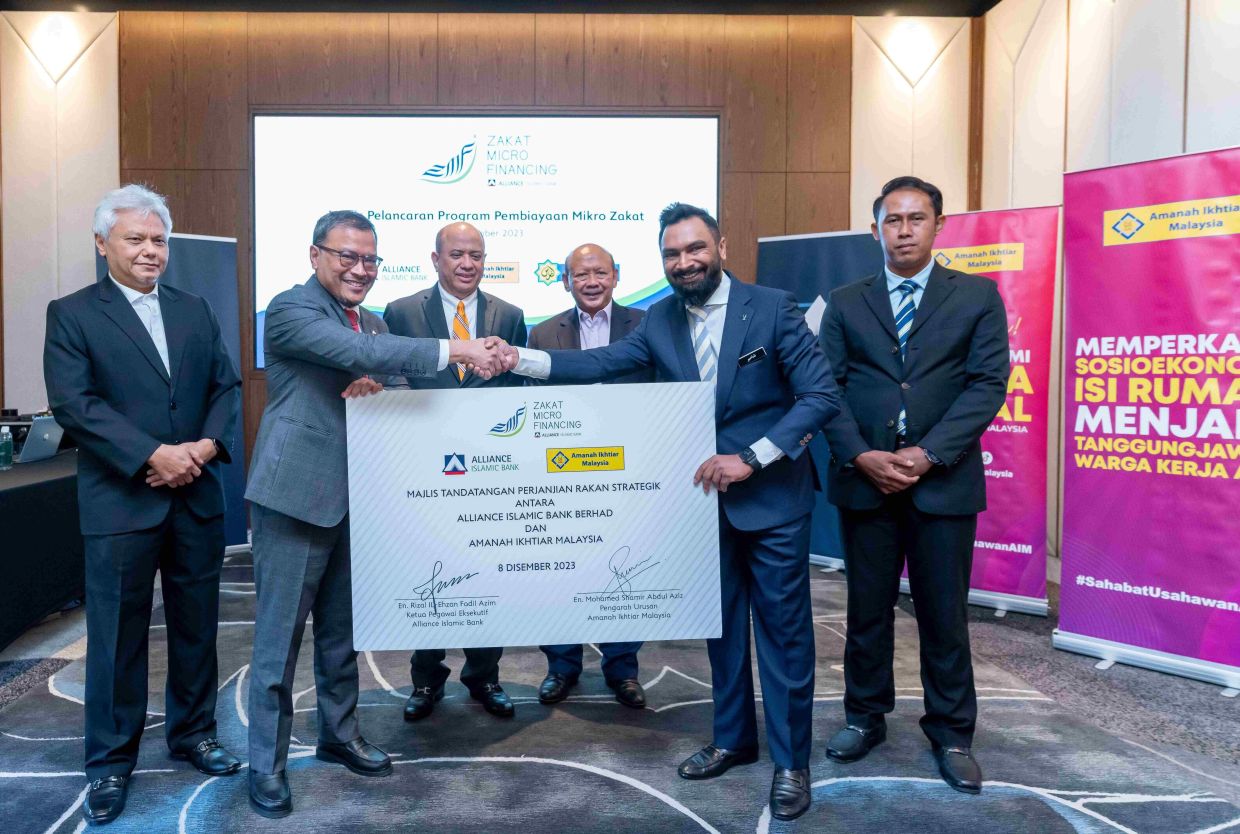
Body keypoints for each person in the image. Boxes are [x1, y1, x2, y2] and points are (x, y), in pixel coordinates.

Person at [507, 204, 839, 822]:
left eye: (695, 249)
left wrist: (752, 457)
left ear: (721, 246)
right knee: (721, 632)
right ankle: (733, 739)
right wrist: (517, 359)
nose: (684, 262)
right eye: (672, 254)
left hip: (771, 500)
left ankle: (792, 761)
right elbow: (599, 364)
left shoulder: (772, 306)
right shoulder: (660, 318)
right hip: (702, 504)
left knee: (785, 636)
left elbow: (820, 395)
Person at [245, 211, 508, 818]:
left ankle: (338, 735)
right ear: (315, 255)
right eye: (347, 257)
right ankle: (267, 764)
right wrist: (457, 348)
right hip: (295, 496)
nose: (360, 270)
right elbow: (359, 353)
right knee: (278, 640)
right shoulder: (290, 309)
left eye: (370, 260)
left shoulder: (377, 319)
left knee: (342, 634)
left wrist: (381, 385)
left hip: (359, 498)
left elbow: (389, 373)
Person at [43, 184, 242, 825]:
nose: (151, 250)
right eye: (136, 239)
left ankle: (193, 734)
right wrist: (154, 453)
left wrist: (205, 447)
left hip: (196, 496)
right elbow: (77, 405)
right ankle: (108, 763)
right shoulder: (71, 313)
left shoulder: (194, 308)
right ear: (103, 245)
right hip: (122, 500)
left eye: (159, 240)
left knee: (195, 630)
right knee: (116, 641)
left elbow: (224, 385)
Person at [818, 176, 1010, 795]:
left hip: (943, 482)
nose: (903, 230)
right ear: (876, 228)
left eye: (915, 218)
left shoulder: (977, 296)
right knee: (866, 611)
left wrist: (927, 454)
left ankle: (952, 732)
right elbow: (829, 388)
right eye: (891, 220)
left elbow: (986, 385)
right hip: (865, 479)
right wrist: (860, 454)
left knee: (943, 614)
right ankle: (864, 717)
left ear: (938, 225)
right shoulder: (846, 301)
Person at [382, 221, 524, 722]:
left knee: (488, 567)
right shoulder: (401, 311)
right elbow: (393, 378)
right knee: (431, 568)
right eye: (458, 254)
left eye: (477, 256)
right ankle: (426, 679)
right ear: (436, 259)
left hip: (489, 463)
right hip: (424, 463)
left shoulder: (511, 314)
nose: (468, 264)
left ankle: (485, 676)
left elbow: (517, 391)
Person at [528, 243, 653, 709]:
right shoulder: (541, 333)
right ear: (566, 281)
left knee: (623, 566)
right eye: (581, 275)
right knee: (560, 567)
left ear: (617, 276)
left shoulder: (647, 326)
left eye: (601, 272)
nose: (592, 281)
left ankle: (622, 669)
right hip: (561, 472)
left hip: (630, 469)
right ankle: (561, 665)